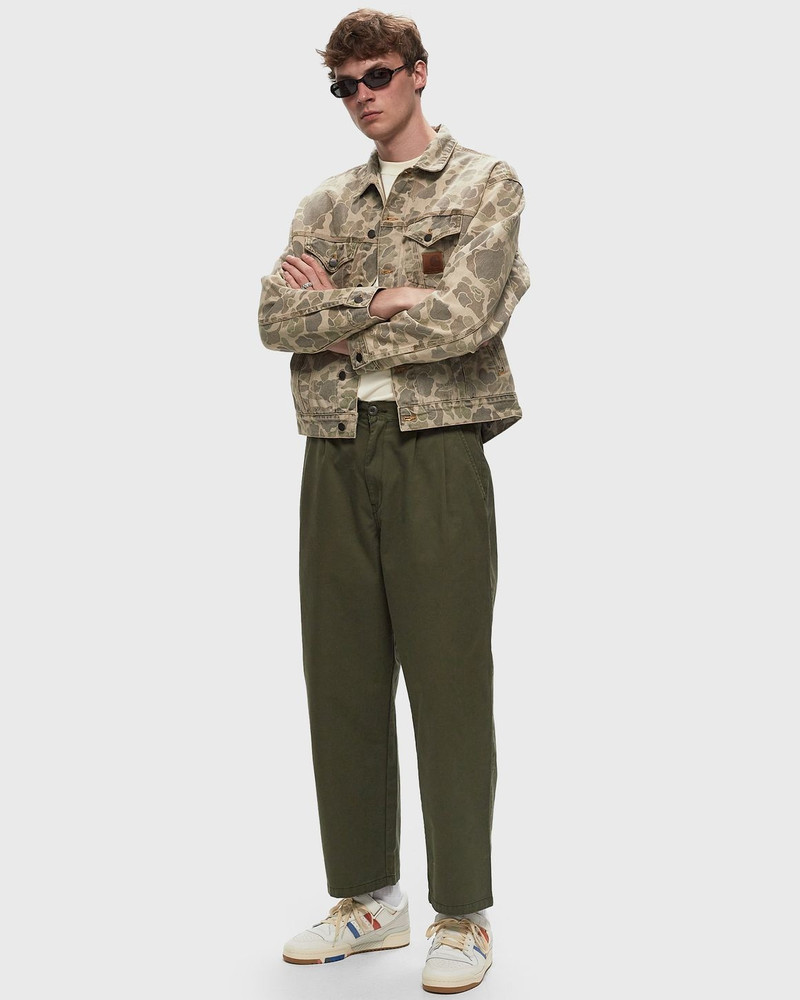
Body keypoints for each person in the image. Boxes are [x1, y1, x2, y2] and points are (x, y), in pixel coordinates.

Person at [257, 8, 529, 993]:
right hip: (333, 444)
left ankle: (462, 913)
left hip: (436, 445)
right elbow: (273, 318)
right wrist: (380, 300)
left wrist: (332, 317)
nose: (360, 97)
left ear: (417, 72)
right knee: (340, 675)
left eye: (375, 76)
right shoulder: (323, 202)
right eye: (343, 85)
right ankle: (369, 900)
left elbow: (466, 318)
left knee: (448, 680)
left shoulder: (484, 182)